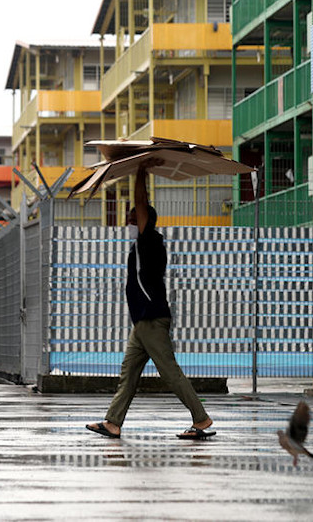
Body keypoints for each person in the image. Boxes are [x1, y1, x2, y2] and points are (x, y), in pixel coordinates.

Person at [86, 162, 215, 440]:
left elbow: (142, 201)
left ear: (144, 221)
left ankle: (201, 419)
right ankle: (112, 422)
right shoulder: (144, 245)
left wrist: (140, 171)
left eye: (133, 219)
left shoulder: (148, 242)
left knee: (170, 372)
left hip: (152, 319)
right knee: (129, 373)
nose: (129, 223)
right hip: (142, 323)